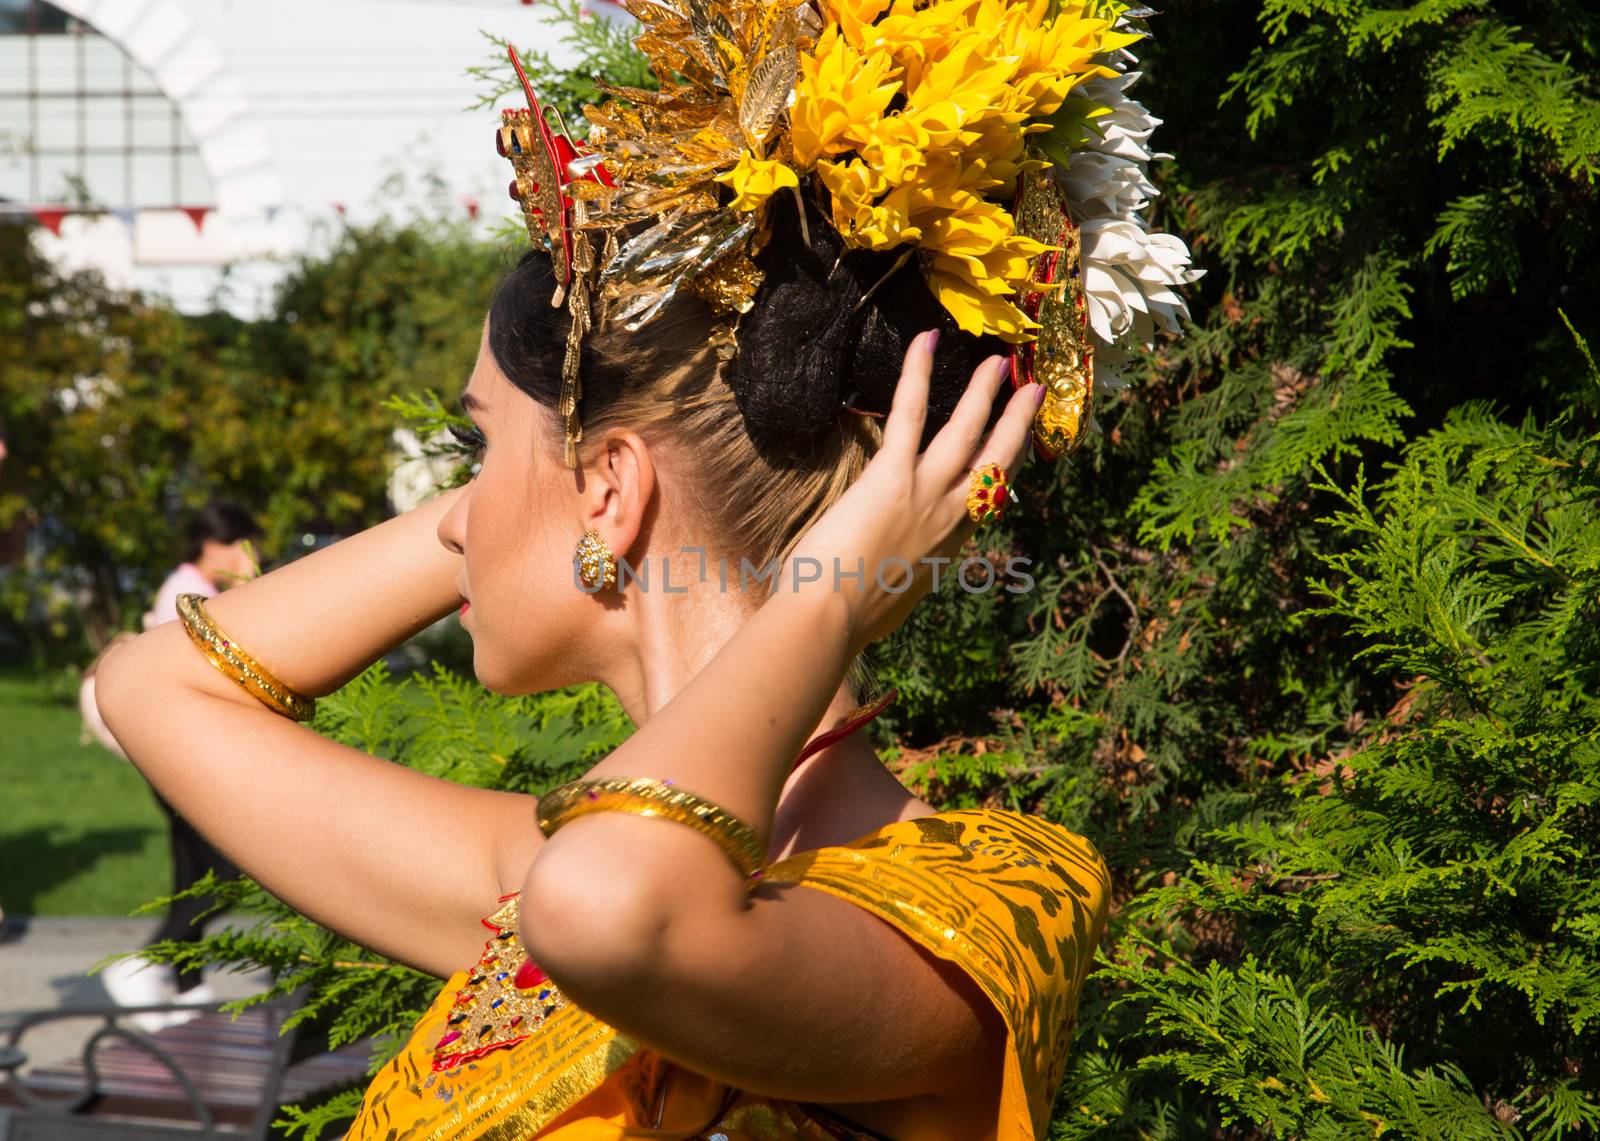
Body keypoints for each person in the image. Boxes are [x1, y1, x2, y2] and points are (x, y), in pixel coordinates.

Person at [91, 0, 1200, 1132]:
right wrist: (554, 473)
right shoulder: (540, 866)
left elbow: (618, 907)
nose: (449, 522)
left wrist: (823, 599)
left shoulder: (981, 908)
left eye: (475, 452)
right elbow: (153, 688)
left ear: (612, 490)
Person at [95, 501, 261, 1022]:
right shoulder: (185, 594)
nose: (245, 556)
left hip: (181, 749)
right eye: (239, 545)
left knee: (195, 872)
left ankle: (185, 985)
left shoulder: (191, 588)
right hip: (181, 751)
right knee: (223, 872)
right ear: (212, 544)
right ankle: (145, 964)